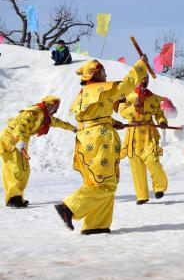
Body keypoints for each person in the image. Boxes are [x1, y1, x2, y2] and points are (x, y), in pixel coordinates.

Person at [53, 56, 148, 235]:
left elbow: (92, 117)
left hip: (88, 139)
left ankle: (96, 224)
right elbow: (125, 87)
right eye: (103, 71)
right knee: (106, 184)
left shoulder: (86, 93)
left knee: (96, 182)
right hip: (99, 140)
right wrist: (140, 66)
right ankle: (70, 207)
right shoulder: (101, 89)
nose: (106, 75)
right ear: (95, 74)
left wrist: (111, 121)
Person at [1, 96, 76, 208]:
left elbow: (58, 123)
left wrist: (73, 128)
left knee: (24, 170)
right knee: (15, 169)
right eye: (54, 107)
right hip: (12, 138)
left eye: (56, 107)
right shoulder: (33, 113)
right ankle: (13, 198)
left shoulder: (46, 117)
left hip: (22, 140)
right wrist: (19, 140)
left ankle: (17, 197)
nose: (54, 110)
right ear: (47, 105)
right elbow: (20, 127)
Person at [118, 76, 169, 204]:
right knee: (136, 166)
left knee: (153, 160)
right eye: (142, 79)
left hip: (148, 133)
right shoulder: (128, 96)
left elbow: (159, 113)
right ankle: (142, 196)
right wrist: (133, 108)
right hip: (133, 135)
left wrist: (162, 121)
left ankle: (159, 187)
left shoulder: (153, 97)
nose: (144, 81)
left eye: (146, 79)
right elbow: (122, 112)